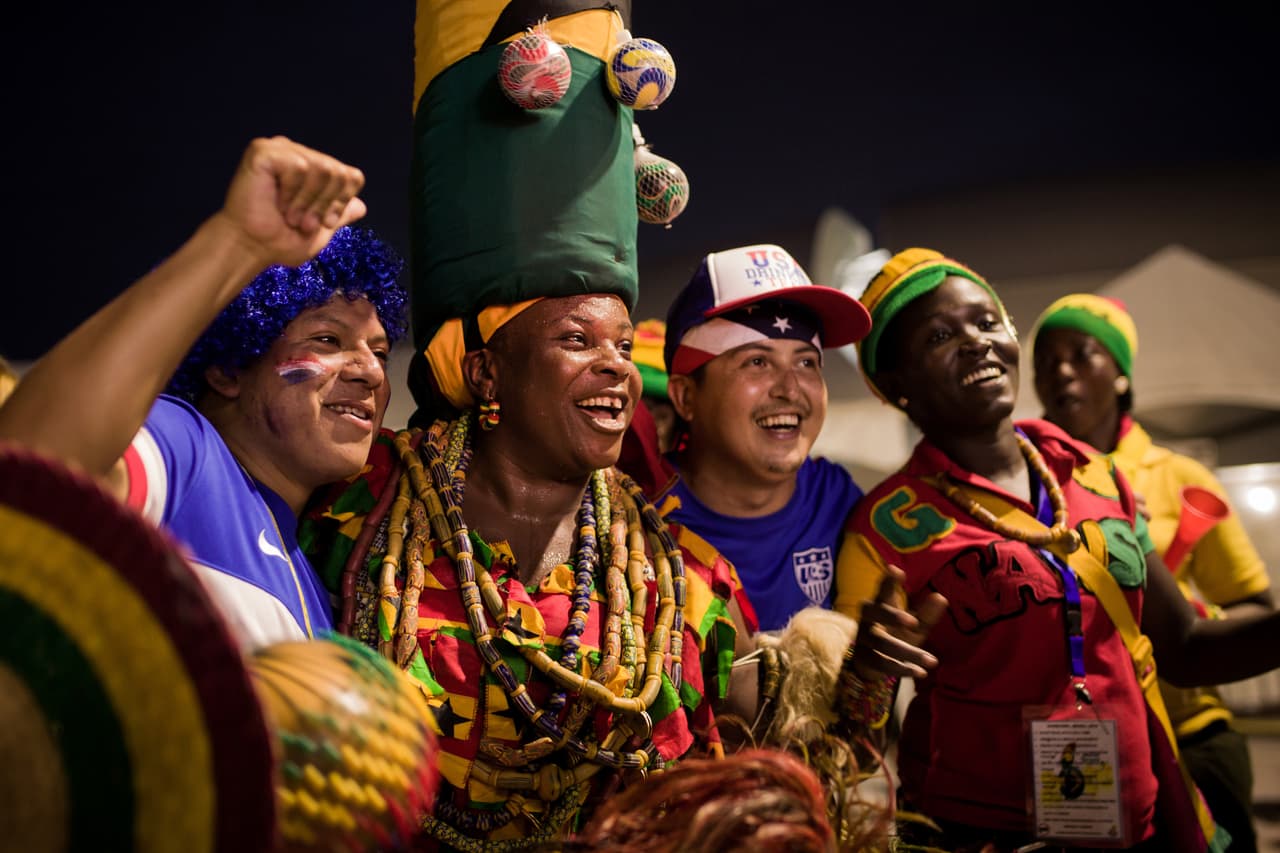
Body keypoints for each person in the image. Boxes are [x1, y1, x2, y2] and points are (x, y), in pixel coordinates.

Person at [297, 3, 939, 845]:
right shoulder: (351, 516)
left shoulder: (674, 577)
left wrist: (857, 681)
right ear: (485, 367)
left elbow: (789, 760)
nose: (611, 364)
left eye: (615, 340)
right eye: (573, 339)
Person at [835, 247, 1280, 852]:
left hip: (1135, 824)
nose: (977, 342)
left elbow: (1185, 651)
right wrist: (865, 672)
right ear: (895, 385)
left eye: (988, 322)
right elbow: (849, 740)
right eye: (941, 335)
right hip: (977, 836)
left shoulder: (1096, 477)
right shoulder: (883, 527)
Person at [0, 135, 408, 650]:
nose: (371, 372)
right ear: (229, 369)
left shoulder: (312, 579)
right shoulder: (186, 451)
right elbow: (30, 468)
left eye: (380, 350)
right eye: (328, 340)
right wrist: (236, 241)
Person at [1033, 293, 1273, 853]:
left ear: (1119, 374)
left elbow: (1254, 608)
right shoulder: (1019, 481)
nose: (1059, 371)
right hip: (1074, 740)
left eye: (1081, 354)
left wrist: (1189, 615)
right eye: (1045, 361)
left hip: (1190, 737)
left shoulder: (1178, 477)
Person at [654, 243, 874, 633]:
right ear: (687, 397)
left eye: (806, 362)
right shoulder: (638, 522)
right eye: (757, 362)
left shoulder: (837, 500)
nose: (790, 389)